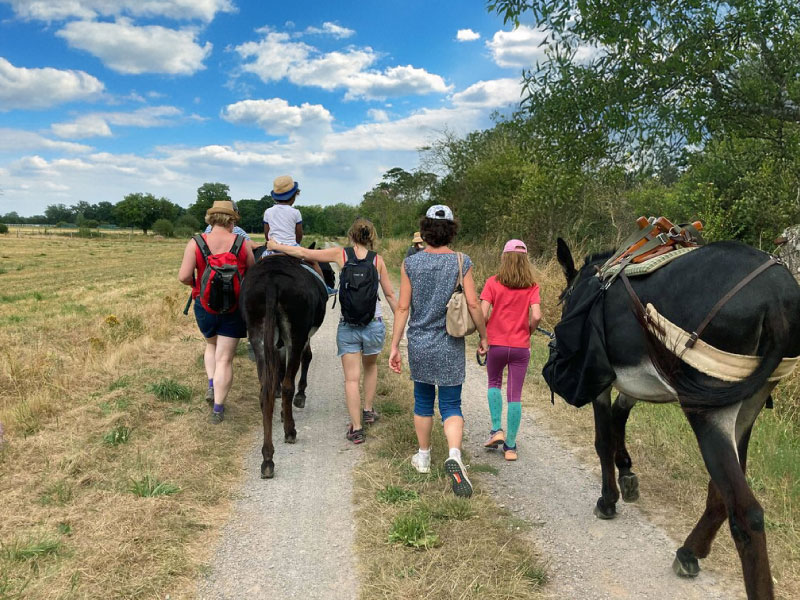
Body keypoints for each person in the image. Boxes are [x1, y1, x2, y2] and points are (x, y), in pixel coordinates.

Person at [268, 218, 397, 444]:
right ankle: (368, 410)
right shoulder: (378, 260)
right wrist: (402, 319)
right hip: (373, 324)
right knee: (371, 366)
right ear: (372, 237)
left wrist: (276, 246)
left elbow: (302, 253)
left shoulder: (341, 255)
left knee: (350, 379)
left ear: (351, 235)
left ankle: (356, 428)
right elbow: (390, 295)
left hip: (349, 326)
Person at [389, 205, 488, 498]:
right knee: (451, 403)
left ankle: (423, 456)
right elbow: (472, 304)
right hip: (450, 344)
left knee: (422, 400)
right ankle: (454, 454)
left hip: (420, 343)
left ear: (426, 230)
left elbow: (403, 307)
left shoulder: (411, 264)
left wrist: (394, 345)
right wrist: (484, 335)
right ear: (451, 231)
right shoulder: (462, 261)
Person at [178, 200, 255, 424]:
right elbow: (252, 272)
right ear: (232, 221)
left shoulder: (196, 242)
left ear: (210, 220)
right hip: (234, 308)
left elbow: (183, 276)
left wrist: (197, 286)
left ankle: (211, 384)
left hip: (205, 305)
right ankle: (218, 410)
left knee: (211, 345)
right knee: (225, 359)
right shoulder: (241, 244)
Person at [479, 239, 541, 461]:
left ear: (504, 258)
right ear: (526, 261)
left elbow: (483, 313)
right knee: (515, 395)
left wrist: (484, 335)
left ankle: (496, 430)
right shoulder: (532, 286)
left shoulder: (492, 283)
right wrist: (529, 331)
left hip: (496, 344)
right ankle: (511, 447)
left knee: (494, 383)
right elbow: (536, 315)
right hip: (520, 347)